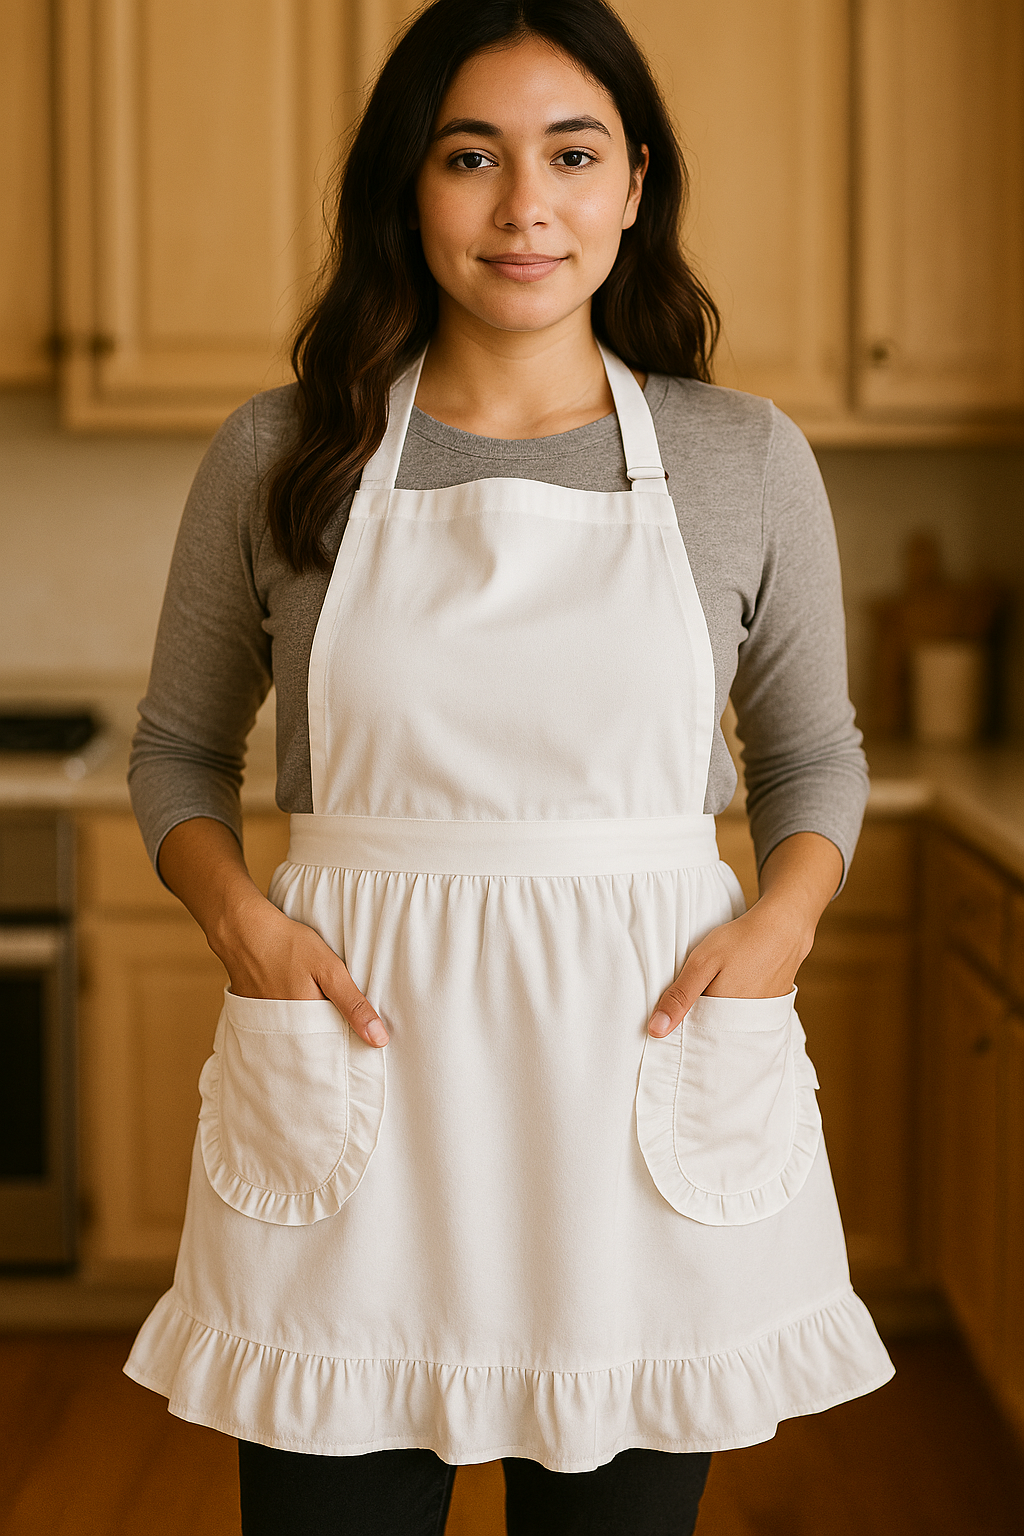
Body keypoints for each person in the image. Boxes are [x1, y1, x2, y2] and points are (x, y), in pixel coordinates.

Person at [123, 1, 894, 1531]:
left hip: (636, 1081)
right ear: (409, 187)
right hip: (355, 1073)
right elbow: (178, 754)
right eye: (470, 156)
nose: (524, 206)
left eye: (571, 154)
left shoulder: (743, 458)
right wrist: (244, 929)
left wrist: (778, 930)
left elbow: (813, 757)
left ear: (633, 185)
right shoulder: (284, 454)